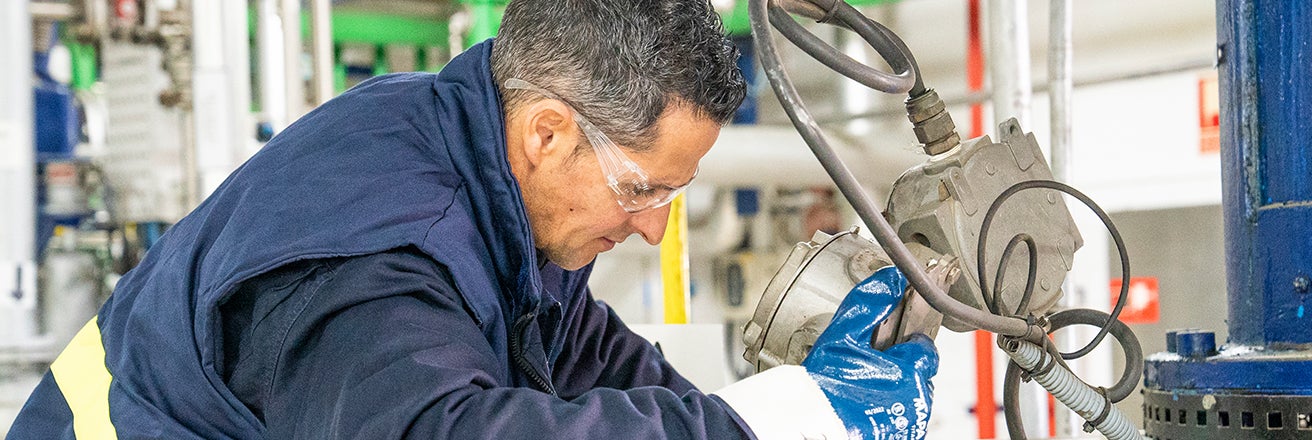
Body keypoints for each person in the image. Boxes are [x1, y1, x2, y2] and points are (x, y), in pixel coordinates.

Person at [9, 0, 937, 438]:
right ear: (547, 133)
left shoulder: (483, 157)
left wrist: (754, 416)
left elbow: (574, 353)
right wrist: (762, 424)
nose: (655, 229)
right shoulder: (380, 251)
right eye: (645, 189)